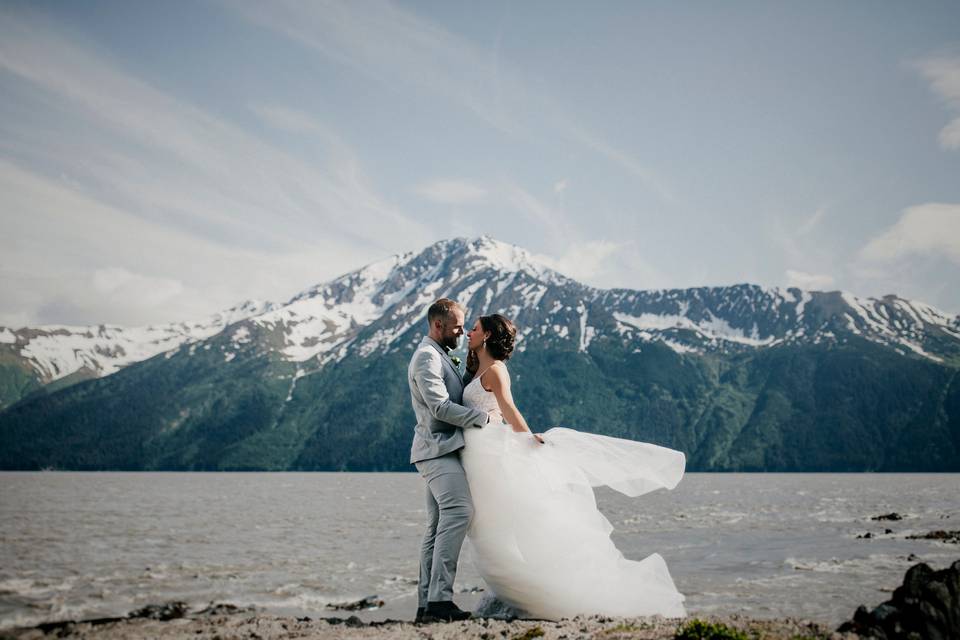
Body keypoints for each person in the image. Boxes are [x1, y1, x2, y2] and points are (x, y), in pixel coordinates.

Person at [459, 313, 687, 620]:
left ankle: (538, 592)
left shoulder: (497, 370)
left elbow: (509, 408)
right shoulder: (479, 369)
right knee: (490, 525)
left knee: (504, 522)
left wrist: (526, 442)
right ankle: (514, 589)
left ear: (486, 336)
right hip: (479, 455)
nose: (469, 333)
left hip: (492, 454)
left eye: (474, 329)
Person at [408, 298, 492, 623]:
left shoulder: (441, 354)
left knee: (434, 528)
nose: (461, 329)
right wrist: (482, 419)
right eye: (457, 325)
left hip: (442, 448)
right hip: (437, 450)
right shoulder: (426, 358)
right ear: (438, 325)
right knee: (459, 511)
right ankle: (440, 600)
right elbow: (440, 408)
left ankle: (426, 605)